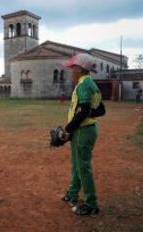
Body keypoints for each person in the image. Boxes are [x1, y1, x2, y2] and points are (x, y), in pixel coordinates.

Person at [60, 53, 102, 216]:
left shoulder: (84, 85)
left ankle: (92, 204)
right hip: (85, 129)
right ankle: (72, 193)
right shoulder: (91, 84)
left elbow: (84, 111)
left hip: (83, 131)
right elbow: (101, 109)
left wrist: (68, 129)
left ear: (79, 69)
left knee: (83, 166)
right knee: (78, 164)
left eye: (72, 68)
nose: (70, 71)